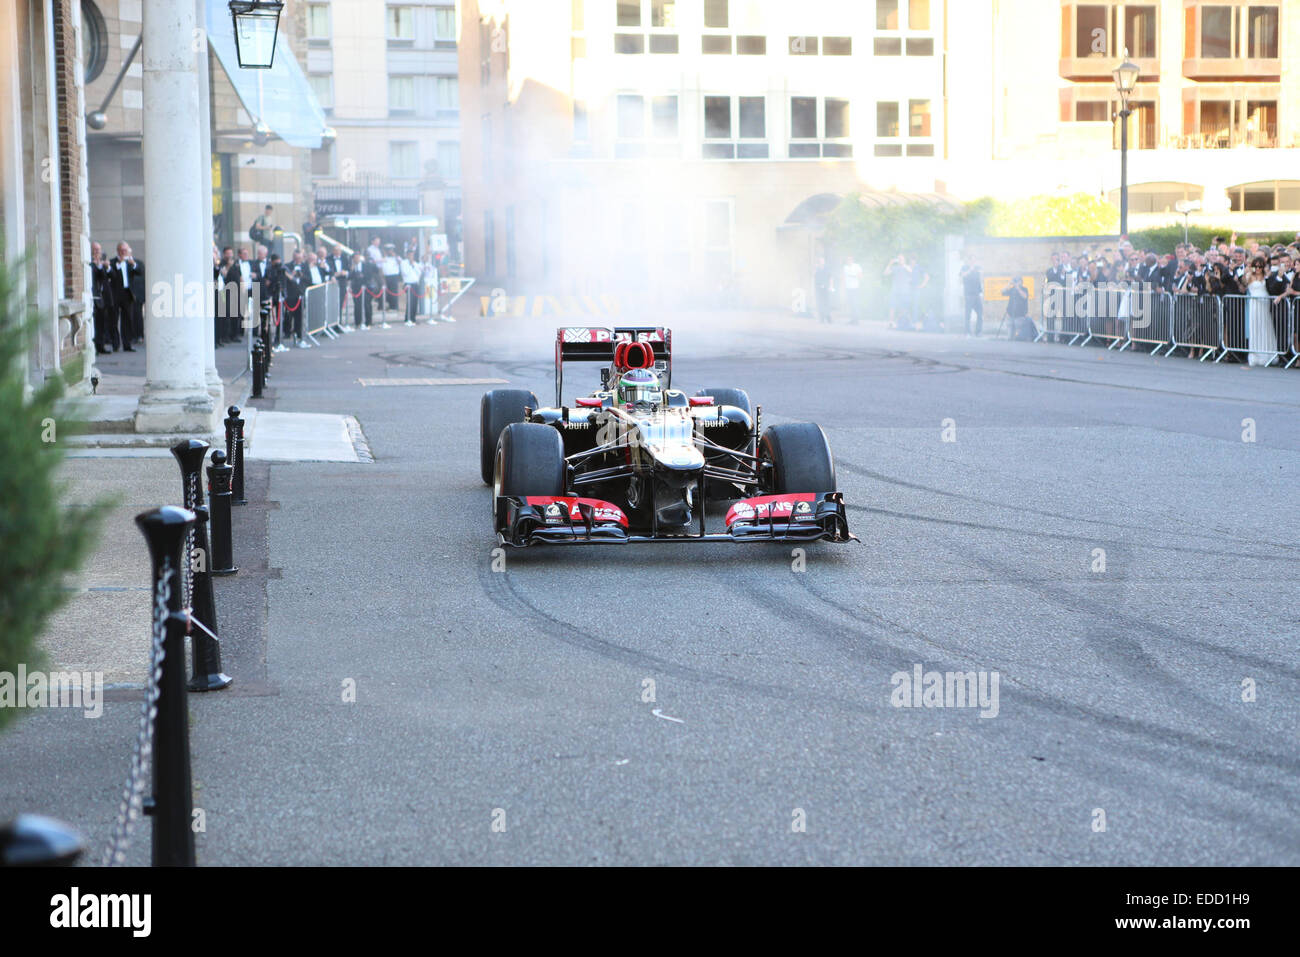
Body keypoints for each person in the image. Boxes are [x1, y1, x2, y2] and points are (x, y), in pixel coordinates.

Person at [107, 241, 141, 351]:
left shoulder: (130, 262)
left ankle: (127, 344)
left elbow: (140, 271)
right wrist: (117, 265)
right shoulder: (112, 262)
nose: (123, 252)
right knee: (114, 319)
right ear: (118, 251)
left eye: (125, 250)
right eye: (121, 250)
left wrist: (134, 264)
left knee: (128, 319)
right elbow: (110, 274)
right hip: (116, 294)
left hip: (127, 294)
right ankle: (115, 344)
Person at [1244, 257, 1277, 367]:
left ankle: (1268, 354)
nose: (1257, 269)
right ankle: (1255, 356)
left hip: (1265, 303)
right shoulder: (1250, 276)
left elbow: (1271, 286)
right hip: (1254, 304)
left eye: (1260, 267)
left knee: (1265, 327)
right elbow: (1243, 284)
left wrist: (1268, 275)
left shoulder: (1266, 276)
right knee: (1255, 327)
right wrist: (1246, 273)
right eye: (1256, 266)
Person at [90, 242, 115, 355]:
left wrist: (107, 266)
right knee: (93, 324)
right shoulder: (89, 263)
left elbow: (111, 276)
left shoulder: (103, 264)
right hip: (92, 296)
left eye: (98, 250)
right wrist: (98, 265)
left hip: (102, 298)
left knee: (101, 323)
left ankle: (101, 346)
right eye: (94, 250)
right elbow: (94, 274)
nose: (96, 252)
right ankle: (93, 347)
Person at [884, 253, 911, 328]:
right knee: (892, 306)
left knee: (903, 307)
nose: (900, 260)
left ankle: (902, 321)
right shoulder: (895, 268)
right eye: (898, 259)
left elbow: (911, 272)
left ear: (904, 260)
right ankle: (891, 322)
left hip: (904, 291)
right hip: (895, 290)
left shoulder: (907, 267)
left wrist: (903, 265)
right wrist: (890, 263)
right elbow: (885, 273)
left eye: (901, 259)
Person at [348, 252, 373, 329]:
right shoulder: (352, 267)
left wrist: (363, 276)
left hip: (365, 287)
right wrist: (351, 270)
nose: (357, 259)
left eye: (358, 257)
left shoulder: (366, 265)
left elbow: (369, 275)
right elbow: (349, 277)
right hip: (356, 288)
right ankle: (358, 322)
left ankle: (368, 322)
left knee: (367, 304)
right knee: (357, 305)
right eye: (355, 258)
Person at [960, 253, 983, 337]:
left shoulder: (978, 268)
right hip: (969, 294)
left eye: (974, 260)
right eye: (971, 260)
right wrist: (970, 269)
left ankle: (978, 332)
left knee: (980, 313)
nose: (973, 261)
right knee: (968, 314)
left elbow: (981, 275)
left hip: (977, 294)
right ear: (969, 260)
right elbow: (962, 275)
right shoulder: (964, 267)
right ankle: (967, 332)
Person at [400, 250, 423, 325]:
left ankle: (413, 318)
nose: (411, 257)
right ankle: (408, 319)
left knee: (415, 302)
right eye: (410, 255)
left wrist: (413, 265)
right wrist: (410, 265)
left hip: (415, 283)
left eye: (412, 255)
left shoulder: (416, 263)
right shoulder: (404, 263)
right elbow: (405, 273)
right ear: (407, 255)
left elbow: (419, 273)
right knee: (410, 301)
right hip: (408, 284)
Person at [381, 244, 401, 323]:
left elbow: (400, 262)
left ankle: (394, 306)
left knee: (394, 291)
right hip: (387, 277)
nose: (390, 252)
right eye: (389, 250)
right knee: (388, 292)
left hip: (394, 276)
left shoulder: (396, 258)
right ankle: (390, 305)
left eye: (391, 250)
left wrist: (395, 256)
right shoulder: (385, 258)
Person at [842, 255, 863, 323]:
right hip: (848, 288)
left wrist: (854, 275)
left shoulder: (857, 266)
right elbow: (844, 277)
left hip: (855, 287)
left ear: (852, 260)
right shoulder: (845, 267)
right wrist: (844, 287)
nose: (849, 261)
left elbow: (861, 276)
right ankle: (852, 319)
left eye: (850, 259)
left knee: (855, 303)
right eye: (848, 260)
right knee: (850, 304)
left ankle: (856, 319)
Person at [813, 256, 834, 323]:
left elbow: (831, 277)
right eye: (820, 261)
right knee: (820, 303)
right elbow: (813, 275)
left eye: (822, 260)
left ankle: (828, 317)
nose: (821, 262)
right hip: (819, 288)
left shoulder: (827, 268)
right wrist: (815, 268)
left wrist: (831, 286)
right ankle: (821, 318)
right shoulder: (817, 268)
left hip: (826, 287)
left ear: (824, 261)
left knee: (826, 303)